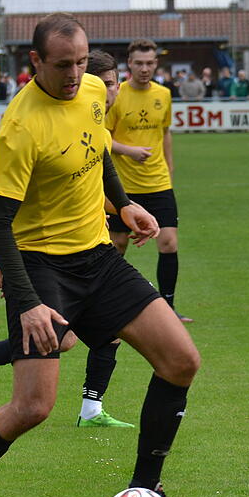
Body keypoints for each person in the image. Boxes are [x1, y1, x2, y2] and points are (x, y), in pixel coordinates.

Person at [0, 13, 201, 497]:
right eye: (62, 65)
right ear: (35, 62)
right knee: (34, 406)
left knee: (181, 361)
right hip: (41, 268)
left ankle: (147, 493)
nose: (75, 73)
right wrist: (27, 300)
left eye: (80, 61)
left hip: (97, 256)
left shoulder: (96, 88)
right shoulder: (21, 126)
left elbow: (97, 151)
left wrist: (124, 207)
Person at [0, 49, 136, 428]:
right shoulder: (33, 124)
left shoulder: (92, 120)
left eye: (110, 84)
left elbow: (99, 169)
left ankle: (90, 409)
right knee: (56, 346)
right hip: (47, 259)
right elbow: (15, 211)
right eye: (100, 83)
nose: (106, 92)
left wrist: (123, 208)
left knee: (78, 338)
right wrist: (6, 261)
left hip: (91, 252)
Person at [106, 39, 192, 322]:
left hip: (158, 183)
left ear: (157, 63)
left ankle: (169, 306)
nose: (145, 68)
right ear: (129, 64)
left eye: (150, 63)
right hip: (124, 186)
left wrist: (170, 164)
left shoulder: (164, 94)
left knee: (168, 243)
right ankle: (110, 304)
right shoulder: (117, 95)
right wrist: (129, 151)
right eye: (139, 63)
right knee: (117, 245)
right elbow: (104, 138)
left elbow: (165, 131)